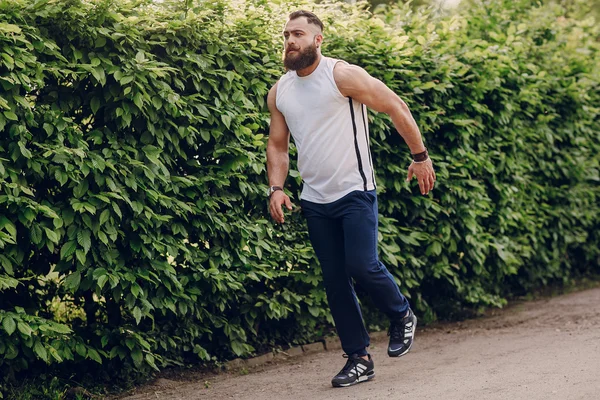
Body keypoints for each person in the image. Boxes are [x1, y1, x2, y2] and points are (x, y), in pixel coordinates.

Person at [266, 10, 436, 388]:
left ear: (317, 40)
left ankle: (402, 314)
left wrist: (420, 157)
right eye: (286, 35)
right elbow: (278, 145)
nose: (290, 41)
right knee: (335, 281)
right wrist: (276, 188)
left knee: (362, 264)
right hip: (315, 200)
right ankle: (358, 358)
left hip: (354, 190)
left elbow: (396, 106)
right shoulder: (280, 91)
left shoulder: (341, 75)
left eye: (298, 34)